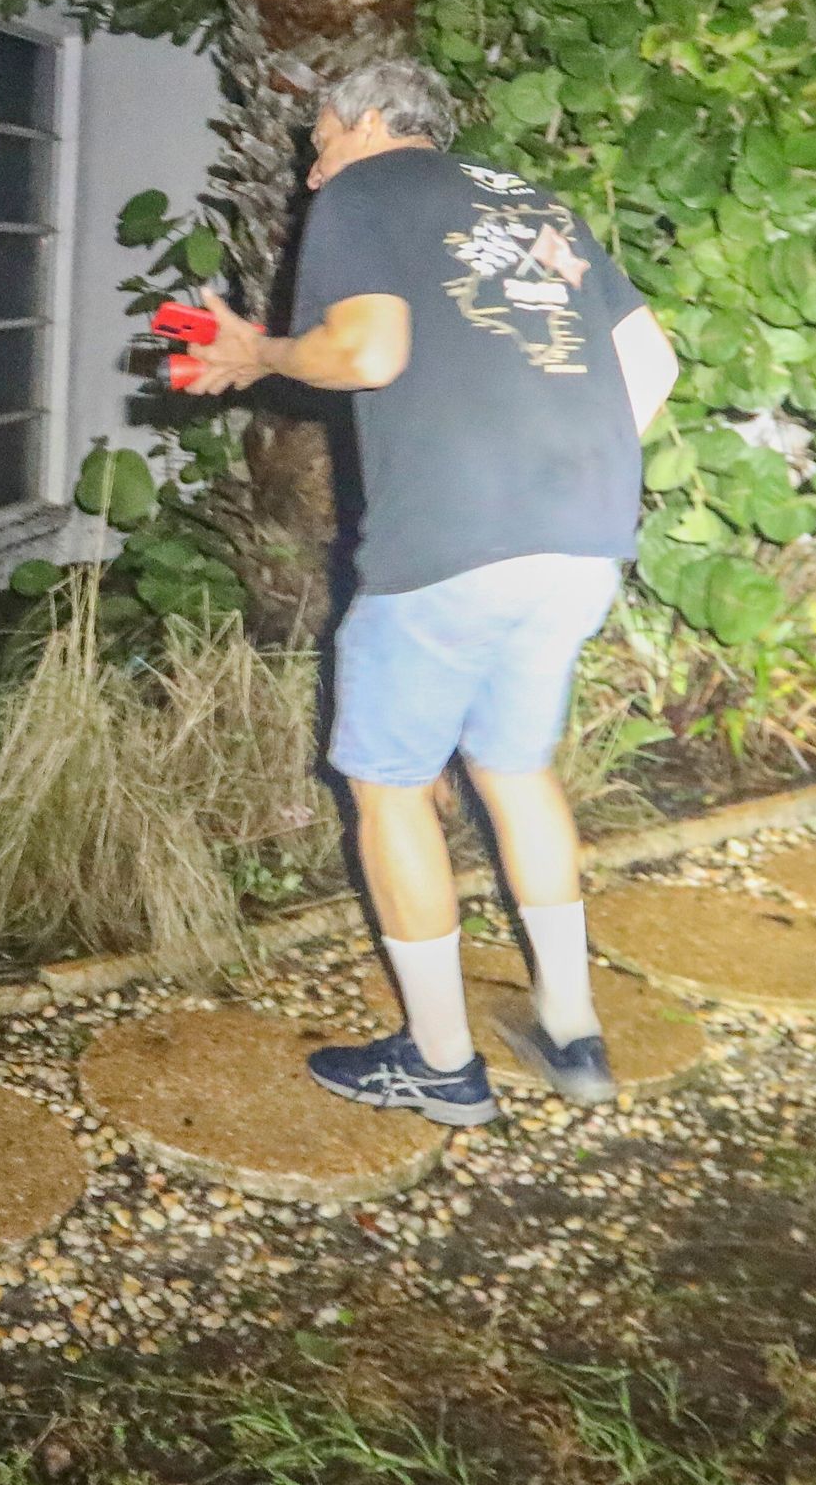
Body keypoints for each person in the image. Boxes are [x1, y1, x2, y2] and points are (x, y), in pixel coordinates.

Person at [173, 57, 677, 1122]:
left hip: (450, 548)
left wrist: (258, 349)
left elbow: (366, 350)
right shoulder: (532, 202)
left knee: (391, 786)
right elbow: (655, 367)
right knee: (517, 770)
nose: (313, 176)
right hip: (580, 540)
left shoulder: (368, 190)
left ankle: (440, 1061)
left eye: (316, 144)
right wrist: (559, 477)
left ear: (361, 121)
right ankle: (573, 1034)